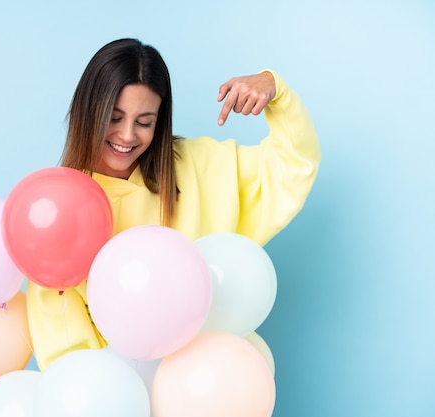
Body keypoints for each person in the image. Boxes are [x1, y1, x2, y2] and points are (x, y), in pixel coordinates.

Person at [26, 38, 320, 371]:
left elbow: (294, 165)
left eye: (144, 122)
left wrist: (275, 89)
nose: (126, 136)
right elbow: (65, 351)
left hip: (205, 385)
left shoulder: (199, 166)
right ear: (88, 110)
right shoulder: (58, 209)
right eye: (114, 116)